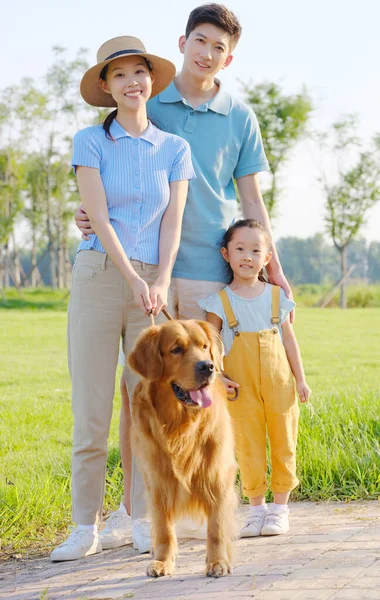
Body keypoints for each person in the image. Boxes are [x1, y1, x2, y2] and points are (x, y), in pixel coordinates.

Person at [75, 4, 293, 548]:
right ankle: (136, 513)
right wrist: (81, 216)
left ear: (230, 57)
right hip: (143, 270)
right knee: (143, 395)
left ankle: (229, 499)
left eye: (219, 47)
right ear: (182, 42)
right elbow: (113, 177)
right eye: (200, 41)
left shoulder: (239, 116)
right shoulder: (153, 104)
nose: (207, 53)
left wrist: (274, 264)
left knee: (216, 390)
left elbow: (250, 197)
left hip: (205, 270)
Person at [51, 36, 195, 562]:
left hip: (153, 286)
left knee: (149, 406)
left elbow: (173, 222)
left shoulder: (175, 149)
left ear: (152, 81)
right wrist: (132, 276)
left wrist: (158, 280)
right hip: (99, 274)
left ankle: (141, 516)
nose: (133, 82)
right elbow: (99, 213)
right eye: (120, 75)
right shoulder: (89, 141)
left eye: (141, 72)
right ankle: (82, 526)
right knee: (91, 407)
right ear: (107, 87)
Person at [199, 219, 312, 537]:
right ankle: (256, 510)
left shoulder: (276, 296)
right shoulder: (219, 302)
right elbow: (210, 345)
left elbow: (289, 340)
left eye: (255, 250)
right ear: (226, 254)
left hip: (280, 384)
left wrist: (301, 380)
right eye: (239, 249)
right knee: (247, 444)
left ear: (267, 257)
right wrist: (218, 377)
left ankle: (280, 509)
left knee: (283, 440)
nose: (247, 256)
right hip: (239, 387)